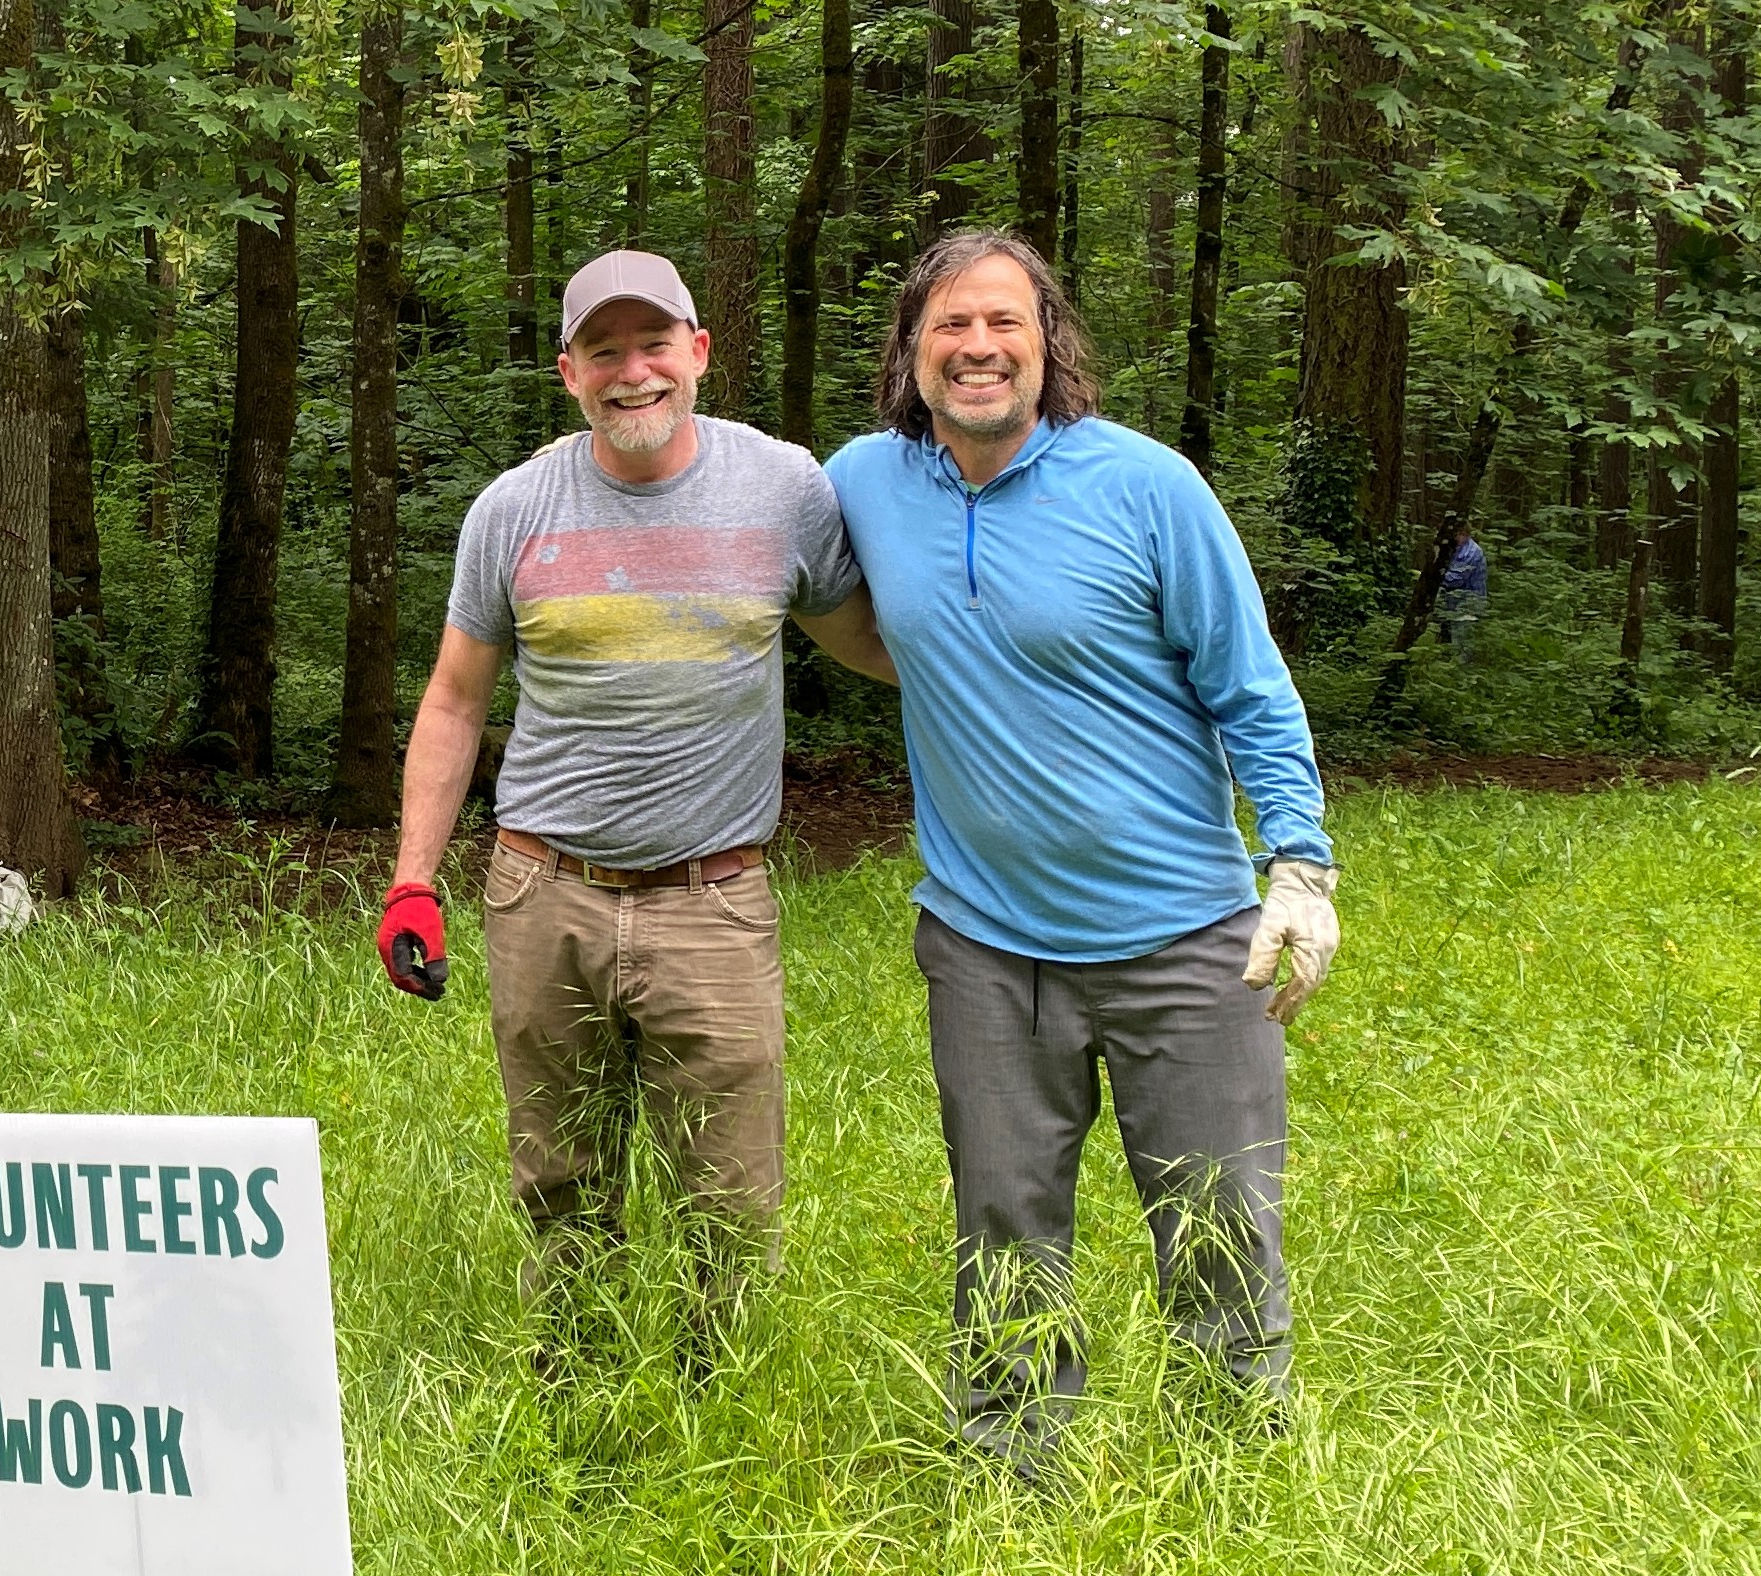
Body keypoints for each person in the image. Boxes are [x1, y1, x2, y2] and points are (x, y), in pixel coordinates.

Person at [825, 229, 1339, 1480]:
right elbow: (788, 577)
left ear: (1050, 340)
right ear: (909, 348)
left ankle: (1236, 1478)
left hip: (1183, 942)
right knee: (1002, 1229)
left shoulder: (1149, 488)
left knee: (1218, 1226)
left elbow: (1249, 686)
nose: (977, 347)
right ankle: (1012, 1475)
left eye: (1003, 321)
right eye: (949, 324)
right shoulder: (860, 482)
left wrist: (1300, 866)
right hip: (985, 947)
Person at [376, 249, 895, 1349]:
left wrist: (1028, 660)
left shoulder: (782, 490)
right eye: (603, 351)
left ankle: (719, 1402)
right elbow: (455, 699)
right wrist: (410, 883)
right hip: (542, 892)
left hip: (711, 899)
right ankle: (578, 1390)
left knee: (730, 1194)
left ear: (698, 352)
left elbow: (873, 645)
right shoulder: (513, 509)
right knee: (561, 1182)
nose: (632, 373)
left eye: (653, 344)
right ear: (567, 372)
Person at [1438, 528, 1490, 661]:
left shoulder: (1471, 552)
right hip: (1454, 606)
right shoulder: (1458, 549)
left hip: (1467, 607)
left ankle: (1463, 674)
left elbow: (1455, 579)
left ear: (1462, 534)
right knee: (1451, 644)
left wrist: (1433, 577)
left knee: (1462, 647)